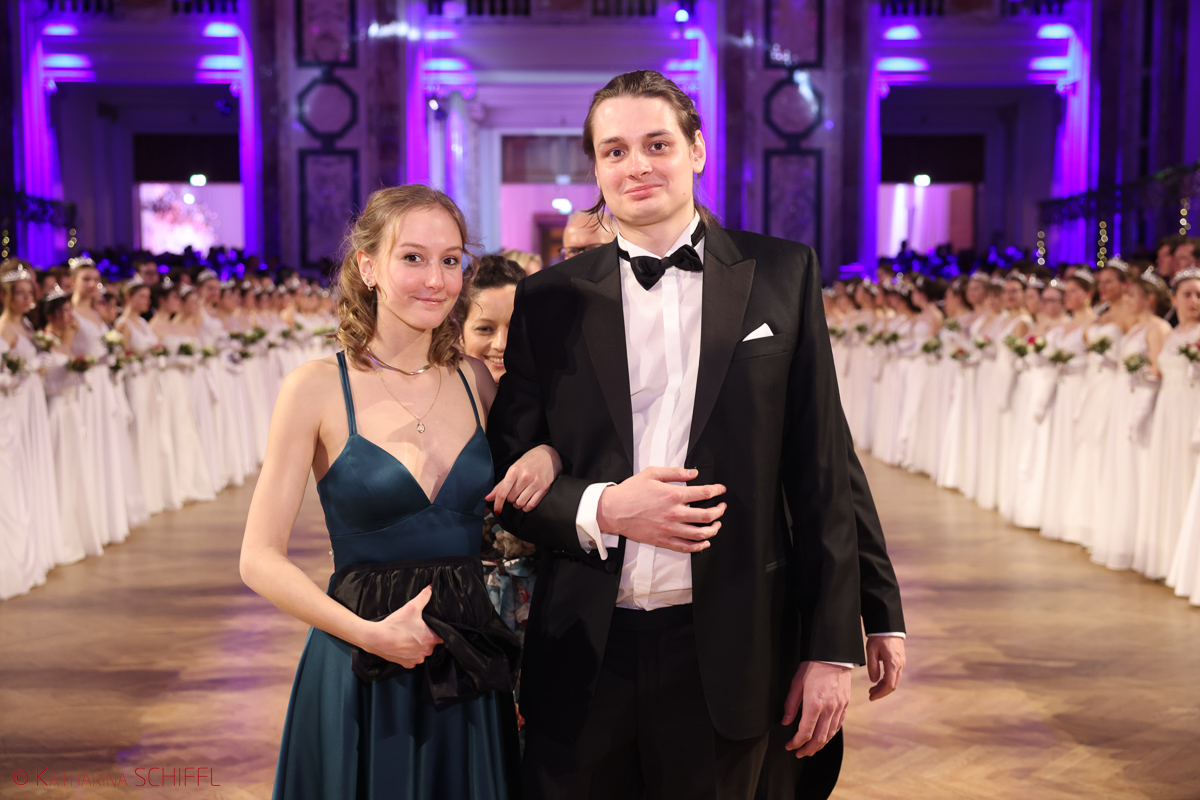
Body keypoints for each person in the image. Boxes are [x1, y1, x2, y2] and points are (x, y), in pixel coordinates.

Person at [487, 70, 868, 799]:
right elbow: (505, 470)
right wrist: (602, 507)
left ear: (696, 150)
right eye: (615, 151)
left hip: (732, 647)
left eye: (656, 144)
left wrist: (830, 648)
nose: (637, 165)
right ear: (597, 169)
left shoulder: (783, 274)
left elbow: (820, 471)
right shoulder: (547, 298)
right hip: (584, 646)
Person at [239, 185, 559, 799]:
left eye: (450, 260)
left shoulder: (475, 381)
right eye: (413, 257)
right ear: (368, 266)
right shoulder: (315, 388)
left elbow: (537, 464)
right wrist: (369, 634)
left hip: (467, 659)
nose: (436, 280)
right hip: (360, 659)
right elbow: (258, 558)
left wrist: (547, 454)